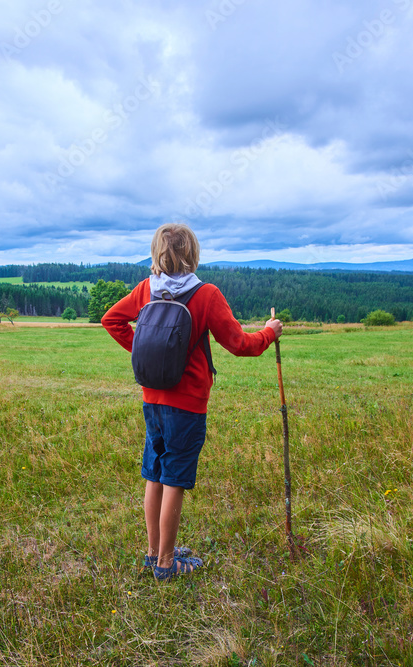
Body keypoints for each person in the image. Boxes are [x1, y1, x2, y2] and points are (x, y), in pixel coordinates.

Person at [101, 223, 283, 580]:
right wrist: (269, 333)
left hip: (152, 399)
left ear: (157, 254)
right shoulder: (206, 294)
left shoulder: (146, 290)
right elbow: (239, 345)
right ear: (193, 253)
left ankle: (154, 552)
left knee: (154, 474)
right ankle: (167, 564)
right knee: (174, 480)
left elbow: (112, 320)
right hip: (187, 405)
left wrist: (146, 356)